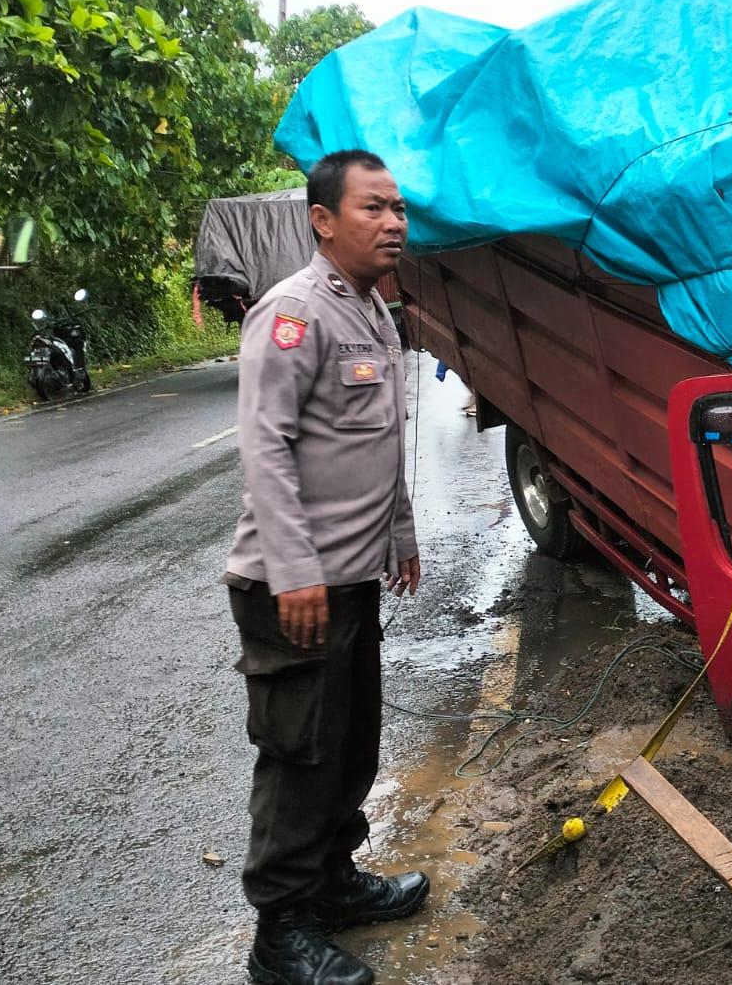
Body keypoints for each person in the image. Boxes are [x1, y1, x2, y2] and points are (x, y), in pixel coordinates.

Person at [223, 149, 428, 985]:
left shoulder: (373, 311)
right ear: (322, 219)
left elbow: (378, 446)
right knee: (300, 760)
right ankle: (281, 933)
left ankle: (334, 882)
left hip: (346, 580)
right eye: (374, 208)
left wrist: (401, 538)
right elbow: (264, 447)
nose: (395, 224)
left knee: (348, 748)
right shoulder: (293, 314)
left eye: (400, 210)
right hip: (292, 589)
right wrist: (294, 568)